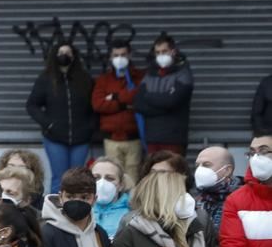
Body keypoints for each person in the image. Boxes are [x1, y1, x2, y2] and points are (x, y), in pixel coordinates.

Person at [26, 42, 95, 191]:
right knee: (59, 178)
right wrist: (48, 124)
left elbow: (94, 106)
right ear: (54, 56)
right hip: (55, 137)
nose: (65, 56)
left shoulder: (84, 79)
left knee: (78, 178)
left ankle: (78, 209)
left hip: (81, 138)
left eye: (68, 53)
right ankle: (54, 212)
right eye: (61, 52)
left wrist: (90, 127)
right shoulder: (46, 79)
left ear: (74, 56)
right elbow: (32, 105)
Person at [92, 39, 145, 181]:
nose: (119, 59)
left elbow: (137, 96)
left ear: (129, 56)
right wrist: (123, 104)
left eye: (123, 54)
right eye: (116, 55)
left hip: (133, 138)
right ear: (110, 57)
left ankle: (131, 204)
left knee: (133, 179)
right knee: (112, 177)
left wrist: (114, 97)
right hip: (112, 139)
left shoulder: (138, 77)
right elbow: (98, 104)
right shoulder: (104, 80)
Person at [138, 32, 194, 156]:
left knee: (173, 173)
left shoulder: (183, 74)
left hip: (174, 138)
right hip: (152, 138)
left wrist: (150, 97)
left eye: (164, 51)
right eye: (158, 52)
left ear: (173, 51)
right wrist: (165, 106)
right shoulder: (150, 74)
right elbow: (139, 103)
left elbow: (173, 101)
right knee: (153, 173)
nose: (161, 55)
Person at [192, 144, 240, 229]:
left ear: (227, 171)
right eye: (197, 165)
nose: (199, 170)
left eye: (206, 165)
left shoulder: (242, 199)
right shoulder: (195, 202)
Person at [92, 156, 133, 239]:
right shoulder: (82, 211)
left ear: (121, 185)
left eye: (109, 178)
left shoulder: (131, 214)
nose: (102, 183)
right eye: (96, 178)